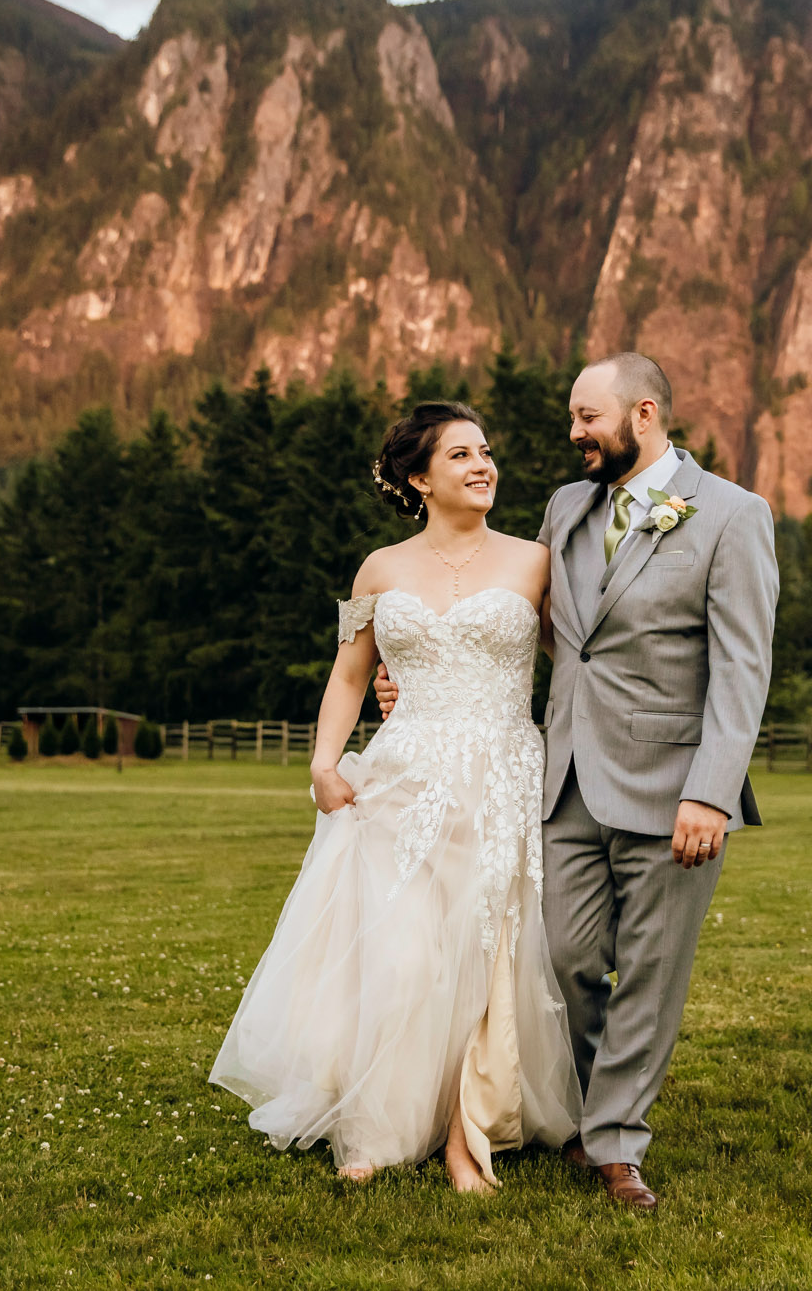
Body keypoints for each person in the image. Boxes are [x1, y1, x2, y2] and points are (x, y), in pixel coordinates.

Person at [376, 353, 778, 1210]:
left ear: (642, 414)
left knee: (651, 969)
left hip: (676, 789)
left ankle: (615, 1142)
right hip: (561, 784)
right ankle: (598, 1111)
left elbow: (744, 667)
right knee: (563, 960)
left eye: (585, 417)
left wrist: (712, 789)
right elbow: (555, 635)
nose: (572, 434)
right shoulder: (567, 507)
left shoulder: (734, 516)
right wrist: (419, 671)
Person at [210, 402, 580, 1193]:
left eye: (486, 451)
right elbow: (349, 670)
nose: (483, 465)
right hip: (403, 776)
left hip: (502, 775)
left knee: (487, 954)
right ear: (420, 478)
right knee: (404, 951)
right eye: (461, 455)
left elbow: (577, 666)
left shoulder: (534, 563)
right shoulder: (377, 570)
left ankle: (466, 1125)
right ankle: (377, 1120)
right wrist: (322, 762)